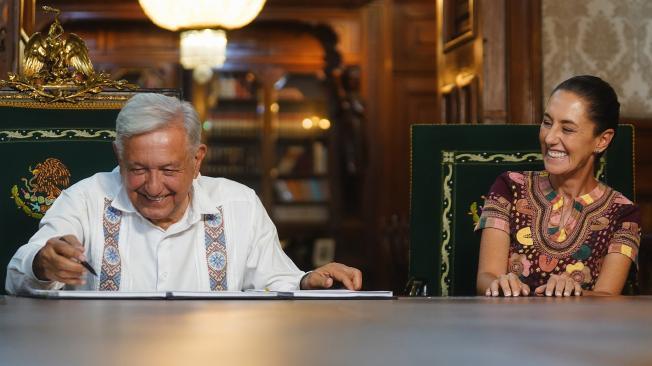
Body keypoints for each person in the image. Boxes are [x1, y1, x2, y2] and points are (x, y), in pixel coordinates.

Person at [5, 93, 362, 294]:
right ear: (119, 156)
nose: (154, 187)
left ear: (197, 159)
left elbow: (272, 280)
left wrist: (307, 280)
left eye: (170, 170)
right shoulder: (84, 199)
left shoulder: (239, 204)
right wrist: (42, 263)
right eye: (138, 169)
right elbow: (16, 276)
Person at [475, 75, 641, 297]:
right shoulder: (509, 187)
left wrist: (575, 293)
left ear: (602, 140)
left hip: (583, 331)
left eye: (568, 129)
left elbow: (607, 296)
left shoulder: (624, 214)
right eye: (547, 122)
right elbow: (486, 276)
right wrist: (499, 284)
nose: (550, 138)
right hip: (507, 327)